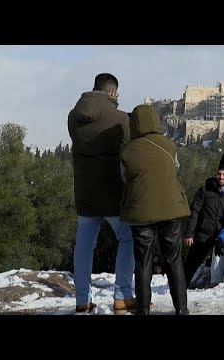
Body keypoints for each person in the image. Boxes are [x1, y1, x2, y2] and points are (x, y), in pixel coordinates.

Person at [68, 73, 135, 314]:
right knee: (127, 238)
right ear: (113, 93)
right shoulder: (120, 119)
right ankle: (122, 295)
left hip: (85, 191)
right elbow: (129, 153)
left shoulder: (73, 117)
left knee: (84, 245)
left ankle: (82, 300)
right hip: (113, 190)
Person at [120, 104, 190, 315]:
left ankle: (142, 310)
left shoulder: (126, 151)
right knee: (174, 259)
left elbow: (124, 177)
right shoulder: (169, 145)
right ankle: (181, 308)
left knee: (143, 261)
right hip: (171, 209)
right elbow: (175, 168)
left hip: (140, 211)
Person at [183, 165, 224, 288]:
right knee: (191, 262)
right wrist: (189, 233)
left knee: (220, 260)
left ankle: (217, 285)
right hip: (203, 233)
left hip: (221, 235)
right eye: (219, 174)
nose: (221, 177)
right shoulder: (205, 190)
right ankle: (180, 287)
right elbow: (195, 212)